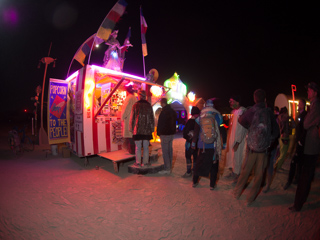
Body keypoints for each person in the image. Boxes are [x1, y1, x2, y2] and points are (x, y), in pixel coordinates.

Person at [233, 89, 279, 206]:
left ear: (254, 98)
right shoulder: (269, 112)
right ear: (264, 99)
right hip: (264, 149)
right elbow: (276, 131)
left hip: (252, 147)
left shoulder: (251, 111)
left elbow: (241, 121)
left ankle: (237, 192)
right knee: (259, 175)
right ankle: (250, 199)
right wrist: (269, 141)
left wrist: (250, 127)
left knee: (246, 171)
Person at [289, 82, 320, 212]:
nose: (307, 92)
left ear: (315, 92)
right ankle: (299, 202)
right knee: (306, 175)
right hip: (310, 145)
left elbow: (306, 124)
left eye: (309, 90)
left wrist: (309, 120)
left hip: (312, 146)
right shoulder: (313, 105)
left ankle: (298, 204)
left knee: (305, 175)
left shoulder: (316, 105)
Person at [191, 99, 223, 190]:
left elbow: (196, 132)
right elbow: (222, 130)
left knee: (199, 163)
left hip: (202, 146)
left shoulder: (200, 117)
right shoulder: (218, 116)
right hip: (214, 145)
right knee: (214, 164)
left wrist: (193, 143)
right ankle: (212, 185)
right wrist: (223, 143)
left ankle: (194, 182)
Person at [283, 99, 307, 190]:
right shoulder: (299, 115)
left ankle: (290, 180)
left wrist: (301, 141)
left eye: (300, 104)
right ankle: (297, 179)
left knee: (294, 162)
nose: (298, 105)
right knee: (299, 162)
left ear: (303, 105)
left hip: (301, 143)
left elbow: (304, 129)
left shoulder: (304, 115)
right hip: (299, 142)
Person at [224, 95, 247, 183]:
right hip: (233, 138)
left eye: (232, 101)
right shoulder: (234, 112)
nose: (230, 103)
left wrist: (238, 141)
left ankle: (239, 176)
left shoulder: (242, 112)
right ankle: (234, 172)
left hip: (239, 140)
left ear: (237, 102)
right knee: (232, 156)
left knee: (238, 157)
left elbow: (242, 128)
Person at [130, 90, 154, 167]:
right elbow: (151, 119)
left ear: (139, 96)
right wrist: (152, 129)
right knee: (146, 147)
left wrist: (131, 128)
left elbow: (132, 118)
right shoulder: (149, 106)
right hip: (147, 130)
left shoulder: (135, 105)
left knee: (138, 147)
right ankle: (146, 162)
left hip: (137, 130)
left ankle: (138, 162)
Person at [157, 98, 177, 174]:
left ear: (162, 103)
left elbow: (160, 124)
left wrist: (159, 133)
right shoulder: (172, 111)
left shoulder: (164, 112)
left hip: (165, 134)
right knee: (169, 150)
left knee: (165, 151)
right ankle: (169, 167)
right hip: (171, 134)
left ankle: (167, 169)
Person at [181, 106, 200, 177]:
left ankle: (188, 172)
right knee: (195, 157)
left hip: (189, 144)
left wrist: (189, 139)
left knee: (188, 157)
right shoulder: (199, 122)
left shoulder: (189, 122)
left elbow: (185, 133)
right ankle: (194, 171)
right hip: (197, 143)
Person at [121, 85, 137, 154]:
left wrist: (122, 117)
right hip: (134, 118)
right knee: (132, 136)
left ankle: (131, 151)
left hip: (128, 119)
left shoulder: (128, 98)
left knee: (129, 136)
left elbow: (126, 109)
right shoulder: (135, 98)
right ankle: (134, 150)